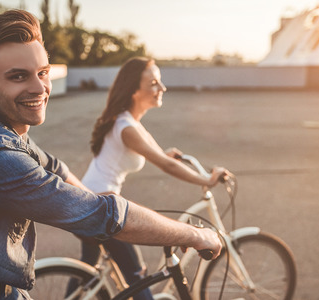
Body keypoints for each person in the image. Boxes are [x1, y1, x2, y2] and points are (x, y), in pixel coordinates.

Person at [0, 10, 221, 300]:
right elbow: (104, 214)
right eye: (18, 76)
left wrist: (83, 200)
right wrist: (195, 234)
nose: (39, 88)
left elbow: (53, 165)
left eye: (42, 72)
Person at [80, 56, 229, 299]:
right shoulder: (127, 127)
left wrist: (166, 155)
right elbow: (166, 165)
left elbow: (158, 155)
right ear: (134, 90)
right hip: (101, 205)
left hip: (89, 200)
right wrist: (207, 180)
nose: (162, 88)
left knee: (85, 278)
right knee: (137, 275)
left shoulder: (127, 121)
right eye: (154, 83)